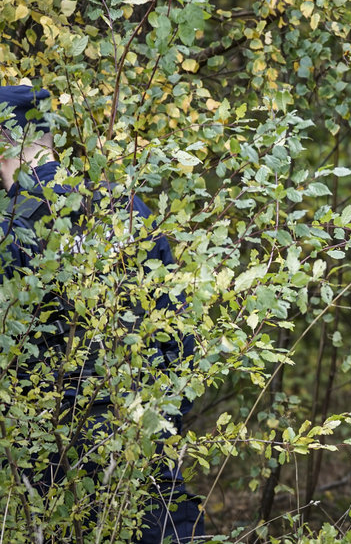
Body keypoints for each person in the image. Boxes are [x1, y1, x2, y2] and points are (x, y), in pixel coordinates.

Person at [0, 85, 205, 541]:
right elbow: (181, 332)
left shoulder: (11, 228)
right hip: (139, 439)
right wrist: (161, 423)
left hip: (47, 461)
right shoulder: (125, 206)